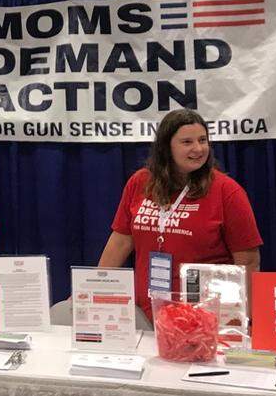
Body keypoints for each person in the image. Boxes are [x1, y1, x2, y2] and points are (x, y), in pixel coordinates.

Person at [97, 108, 262, 319]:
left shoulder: (227, 191)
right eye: (187, 142)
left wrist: (242, 319)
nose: (198, 148)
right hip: (146, 312)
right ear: (166, 147)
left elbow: (248, 261)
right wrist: (94, 288)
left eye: (203, 140)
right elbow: (120, 242)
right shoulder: (140, 182)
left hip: (204, 317)